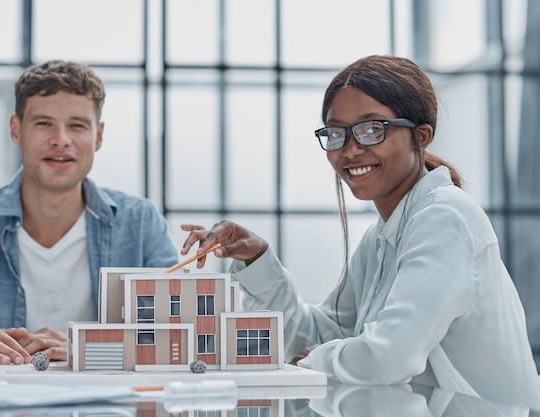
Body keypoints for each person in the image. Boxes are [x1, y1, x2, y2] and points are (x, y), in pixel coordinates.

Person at [179, 55, 539, 405]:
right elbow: (321, 336)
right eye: (336, 133)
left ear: (421, 136)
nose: (350, 150)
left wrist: (312, 358)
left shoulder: (444, 218)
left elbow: (388, 357)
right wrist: (258, 259)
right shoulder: (384, 234)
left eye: (372, 129)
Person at [0, 60, 179, 375]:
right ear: (16, 129)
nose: (61, 139)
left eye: (77, 125)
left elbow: (180, 338)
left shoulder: (141, 224)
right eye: (43, 124)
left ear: (98, 136)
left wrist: (89, 347)